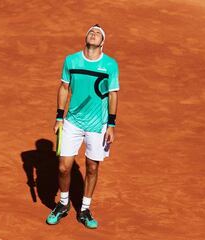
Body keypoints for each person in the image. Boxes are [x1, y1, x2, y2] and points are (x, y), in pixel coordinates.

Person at [46, 24, 119, 229]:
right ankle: (63, 204)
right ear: (85, 38)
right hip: (72, 121)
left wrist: (111, 125)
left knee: (92, 166)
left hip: (99, 125)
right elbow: (64, 87)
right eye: (91, 32)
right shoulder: (71, 60)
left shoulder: (110, 65)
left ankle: (85, 208)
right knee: (63, 166)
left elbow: (113, 94)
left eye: (98, 34)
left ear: (102, 42)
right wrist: (59, 117)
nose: (94, 34)